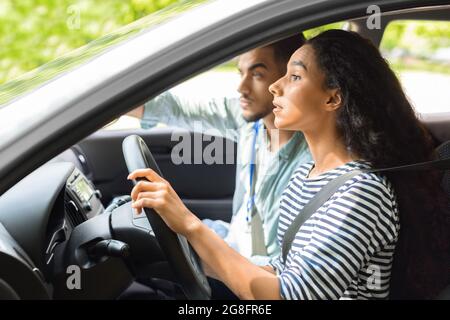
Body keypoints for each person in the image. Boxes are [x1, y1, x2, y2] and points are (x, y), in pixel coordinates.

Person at [128, 30, 450, 299]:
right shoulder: (306, 174)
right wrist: (185, 244)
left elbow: (286, 296)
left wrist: (189, 225)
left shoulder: (363, 194)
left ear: (332, 99)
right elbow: (279, 270)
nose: (274, 86)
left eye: (294, 76)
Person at [128, 34, 311, 266]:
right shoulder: (250, 122)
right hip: (233, 242)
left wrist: (195, 237)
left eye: (257, 74)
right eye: (240, 73)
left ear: (289, 78)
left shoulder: (312, 161)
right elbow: (178, 109)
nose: (241, 87)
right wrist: (110, 100)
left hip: (256, 272)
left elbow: (284, 279)